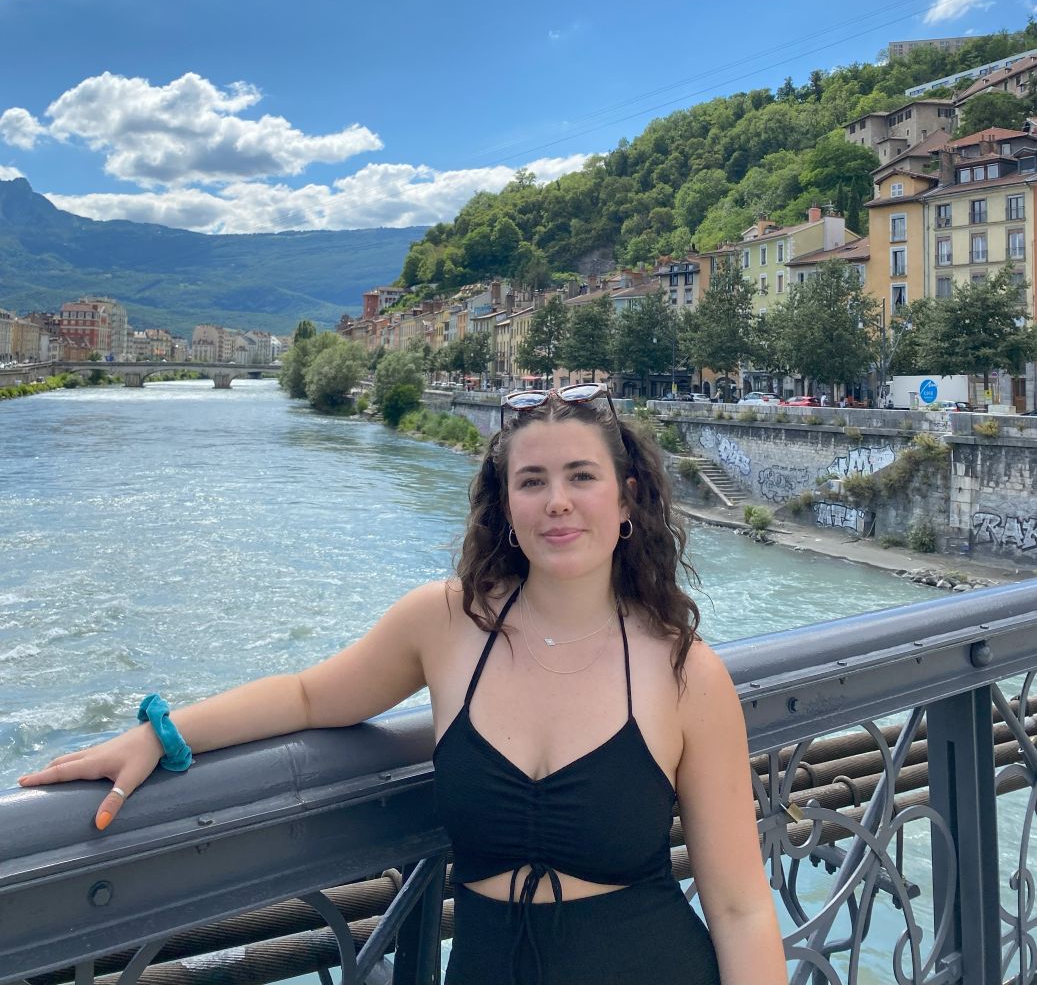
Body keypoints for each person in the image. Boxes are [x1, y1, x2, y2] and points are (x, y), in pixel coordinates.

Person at [19, 385, 787, 985]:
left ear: (624, 501)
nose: (556, 500)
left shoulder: (683, 670)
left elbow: (740, 906)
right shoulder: (445, 624)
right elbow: (308, 696)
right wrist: (158, 734)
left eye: (580, 476)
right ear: (505, 507)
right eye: (532, 480)